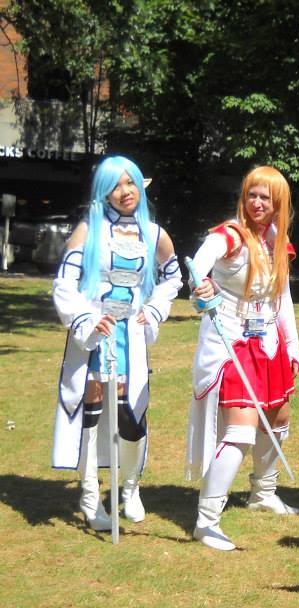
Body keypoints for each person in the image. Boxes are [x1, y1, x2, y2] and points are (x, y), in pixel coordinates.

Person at [52, 156, 182, 530]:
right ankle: (90, 497)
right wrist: (87, 319)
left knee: (131, 415)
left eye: (130, 183)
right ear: (103, 192)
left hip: (131, 339)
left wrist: (153, 310)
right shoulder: (88, 231)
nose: (125, 192)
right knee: (91, 415)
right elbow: (64, 284)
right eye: (115, 185)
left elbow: (173, 278)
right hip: (96, 338)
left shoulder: (153, 233)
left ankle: (130, 487)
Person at [185, 166, 299, 551]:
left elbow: (282, 297)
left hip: (268, 342)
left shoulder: (276, 240)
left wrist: (293, 346)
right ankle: (207, 521)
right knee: (240, 430)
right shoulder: (229, 235)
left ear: (278, 203)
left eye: (266, 197)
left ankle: (262, 493)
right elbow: (197, 267)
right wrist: (201, 288)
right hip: (232, 343)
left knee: (278, 417)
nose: (257, 202)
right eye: (252, 194)